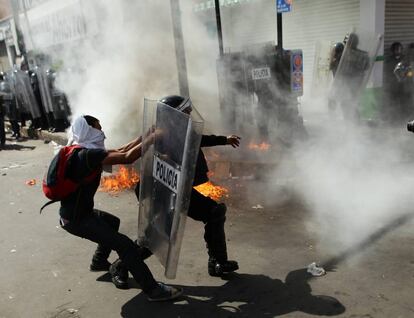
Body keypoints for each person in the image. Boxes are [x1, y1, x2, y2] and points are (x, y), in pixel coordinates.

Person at [58, 115, 182, 302]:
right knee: (126, 246)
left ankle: (99, 262)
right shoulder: (88, 155)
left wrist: (145, 135)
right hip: (78, 220)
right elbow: (126, 157)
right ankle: (154, 290)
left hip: (76, 214)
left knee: (112, 222)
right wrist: (153, 138)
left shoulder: (80, 150)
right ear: (89, 130)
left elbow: (122, 149)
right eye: (98, 128)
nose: (102, 132)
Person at [133, 95, 240, 279]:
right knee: (158, 236)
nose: (190, 115)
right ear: (174, 115)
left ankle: (218, 263)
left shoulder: (181, 130)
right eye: (186, 112)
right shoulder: (161, 134)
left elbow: (200, 139)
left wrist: (225, 140)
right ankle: (122, 266)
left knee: (214, 212)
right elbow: (156, 161)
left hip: (180, 190)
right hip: (165, 192)